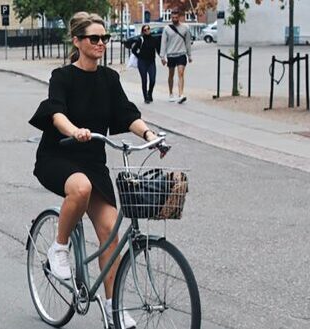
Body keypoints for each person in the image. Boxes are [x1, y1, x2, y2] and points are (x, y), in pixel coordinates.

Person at [29, 12, 162, 329]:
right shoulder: (62, 77)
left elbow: (127, 113)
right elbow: (56, 113)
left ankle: (112, 308)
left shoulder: (109, 78)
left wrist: (150, 135)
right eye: (94, 38)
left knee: (111, 234)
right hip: (58, 156)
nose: (101, 43)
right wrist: (73, 130)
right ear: (77, 41)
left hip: (93, 161)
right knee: (81, 188)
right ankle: (59, 249)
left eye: (105, 38)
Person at [160, 9, 192, 104]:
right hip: (171, 55)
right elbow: (163, 43)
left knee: (181, 73)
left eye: (176, 17)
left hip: (181, 54)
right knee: (171, 74)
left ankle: (181, 94)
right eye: (173, 17)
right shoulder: (167, 29)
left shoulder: (185, 27)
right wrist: (162, 57)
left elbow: (188, 42)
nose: (174, 19)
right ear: (171, 18)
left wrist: (189, 55)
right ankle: (170, 93)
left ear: (179, 17)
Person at [132, 25, 160, 103]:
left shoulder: (154, 39)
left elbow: (158, 49)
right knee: (144, 80)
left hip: (151, 62)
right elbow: (133, 50)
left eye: (148, 29)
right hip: (142, 62)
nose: (147, 30)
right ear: (143, 31)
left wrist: (162, 58)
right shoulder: (140, 40)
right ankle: (145, 97)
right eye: (145, 30)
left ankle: (150, 93)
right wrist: (139, 56)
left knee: (153, 79)